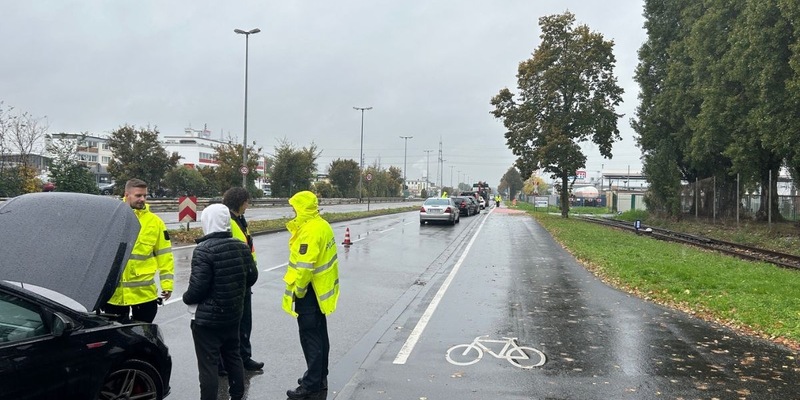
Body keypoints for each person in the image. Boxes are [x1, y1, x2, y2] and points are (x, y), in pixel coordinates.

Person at [183, 203, 257, 400]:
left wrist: (186, 298)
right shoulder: (241, 246)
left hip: (207, 321)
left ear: (207, 222)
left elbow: (197, 289)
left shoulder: (204, 250)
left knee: (208, 365)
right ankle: (237, 395)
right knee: (233, 356)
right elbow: (252, 276)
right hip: (233, 315)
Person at [283, 191, 340, 400]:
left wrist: (298, 290)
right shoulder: (322, 224)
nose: (292, 211)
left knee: (310, 338)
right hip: (321, 289)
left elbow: (305, 267)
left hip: (309, 291)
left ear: (302, 208)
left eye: (294, 207)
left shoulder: (309, 230)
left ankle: (311, 385)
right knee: (320, 335)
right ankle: (319, 376)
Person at [104, 178, 174, 323]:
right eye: (138, 195)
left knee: (142, 339)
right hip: (115, 295)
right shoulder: (112, 218)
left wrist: (167, 285)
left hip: (144, 296)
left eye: (145, 196)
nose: (142, 199)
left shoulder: (155, 223)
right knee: (117, 341)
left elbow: (165, 255)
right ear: (127, 195)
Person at [219, 187, 264, 373]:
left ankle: (244, 358)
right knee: (230, 325)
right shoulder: (227, 222)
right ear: (241, 202)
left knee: (245, 323)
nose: (248, 205)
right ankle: (223, 364)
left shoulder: (240, 220)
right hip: (232, 282)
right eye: (247, 201)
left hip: (244, 281)